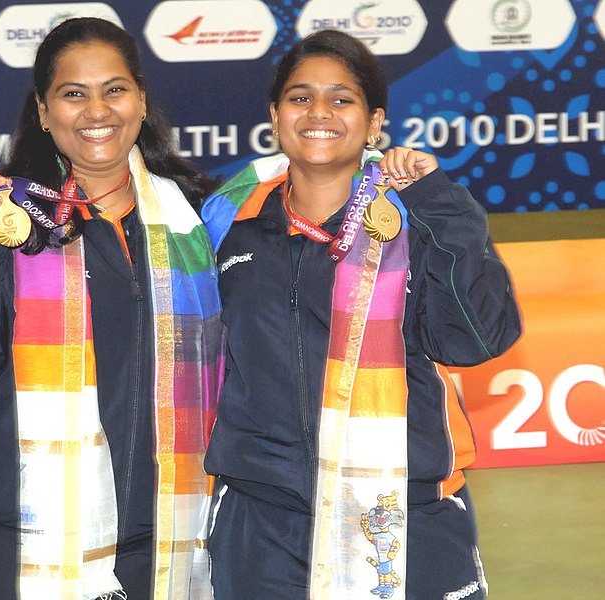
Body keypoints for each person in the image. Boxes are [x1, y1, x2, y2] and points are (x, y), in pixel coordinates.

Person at [0, 17, 222, 600]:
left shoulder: (200, 221)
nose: (98, 110)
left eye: (114, 89)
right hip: (12, 541)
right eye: (74, 94)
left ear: (142, 100)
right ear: (44, 113)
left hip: (170, 536)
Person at [200, 29, 521, 599]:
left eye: (341, 99)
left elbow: (479, 337)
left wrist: (437, 203)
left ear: (374, 123)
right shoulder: (227, 220)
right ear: (275, 116)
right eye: (300, 98)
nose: (318, 112)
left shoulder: (417, 217)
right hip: (264, 520)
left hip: (402, 508)